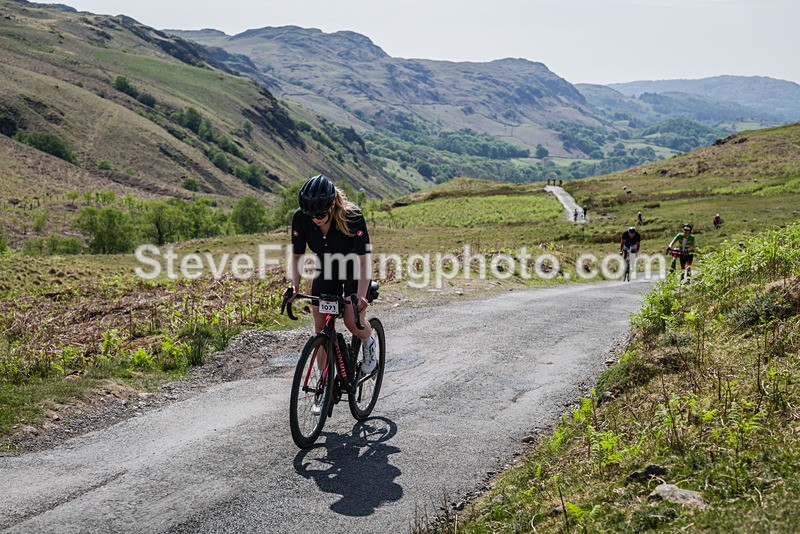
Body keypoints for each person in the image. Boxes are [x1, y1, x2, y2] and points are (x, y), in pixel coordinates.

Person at [287, 175, 377, 412]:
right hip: (326, 269)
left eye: (320, 215)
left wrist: (361, 295)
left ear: (332, 206)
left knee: (351, 320)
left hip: (353, 269)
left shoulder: (352, 216)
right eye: (311, 216)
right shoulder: (302, 218)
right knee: (320, 330)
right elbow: (296, 256)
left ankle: (368, 342)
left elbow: (365, 260)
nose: (315, 220)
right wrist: (295, 287)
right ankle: (324, 385)